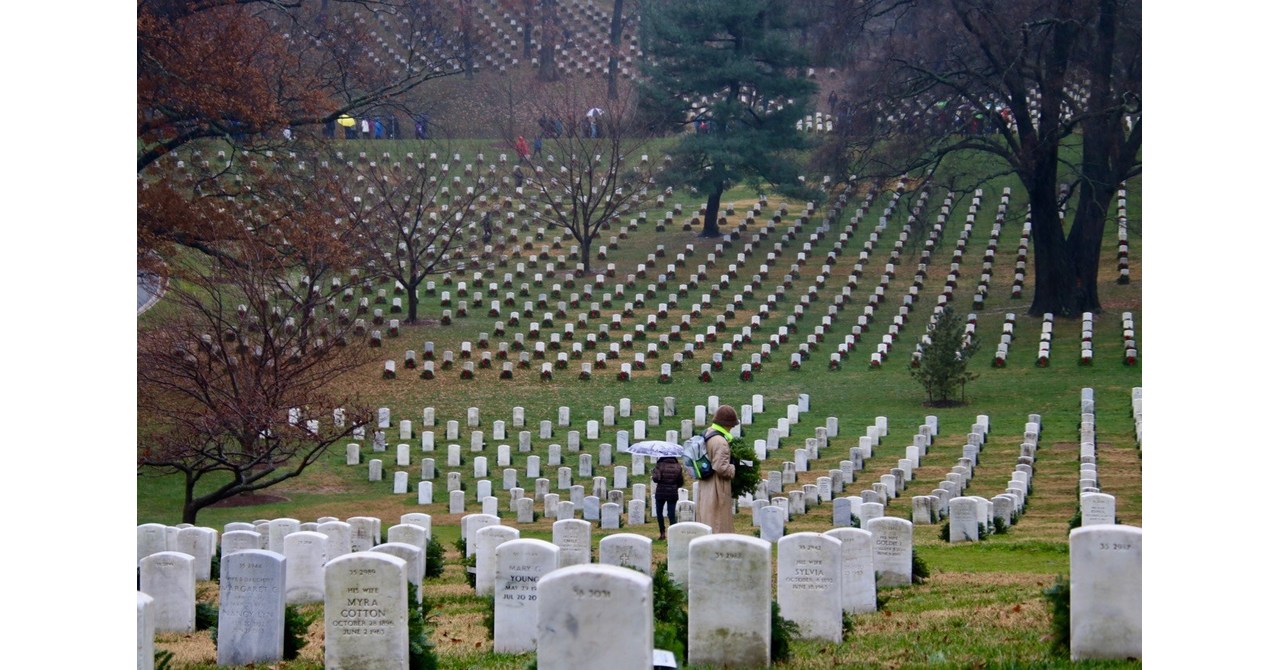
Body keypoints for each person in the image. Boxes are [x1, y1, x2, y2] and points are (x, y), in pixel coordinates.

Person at [696, 405, 738, 534]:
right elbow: (721, 468)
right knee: (718, 521)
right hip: (717, 487)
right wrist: (734, 467)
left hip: (705, 484)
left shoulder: (707, 433)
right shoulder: (721, 442)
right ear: (727, 424)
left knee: (706, 518)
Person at [651, 456, 684, 540]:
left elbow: (656, 479)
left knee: (659, 513)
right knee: (671, 514)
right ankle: (674, 533)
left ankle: (662, 533)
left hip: (661, 492)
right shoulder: (678, 466)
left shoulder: (660, 465)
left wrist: (654, 471)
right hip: (672, 492)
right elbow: (680, 482)